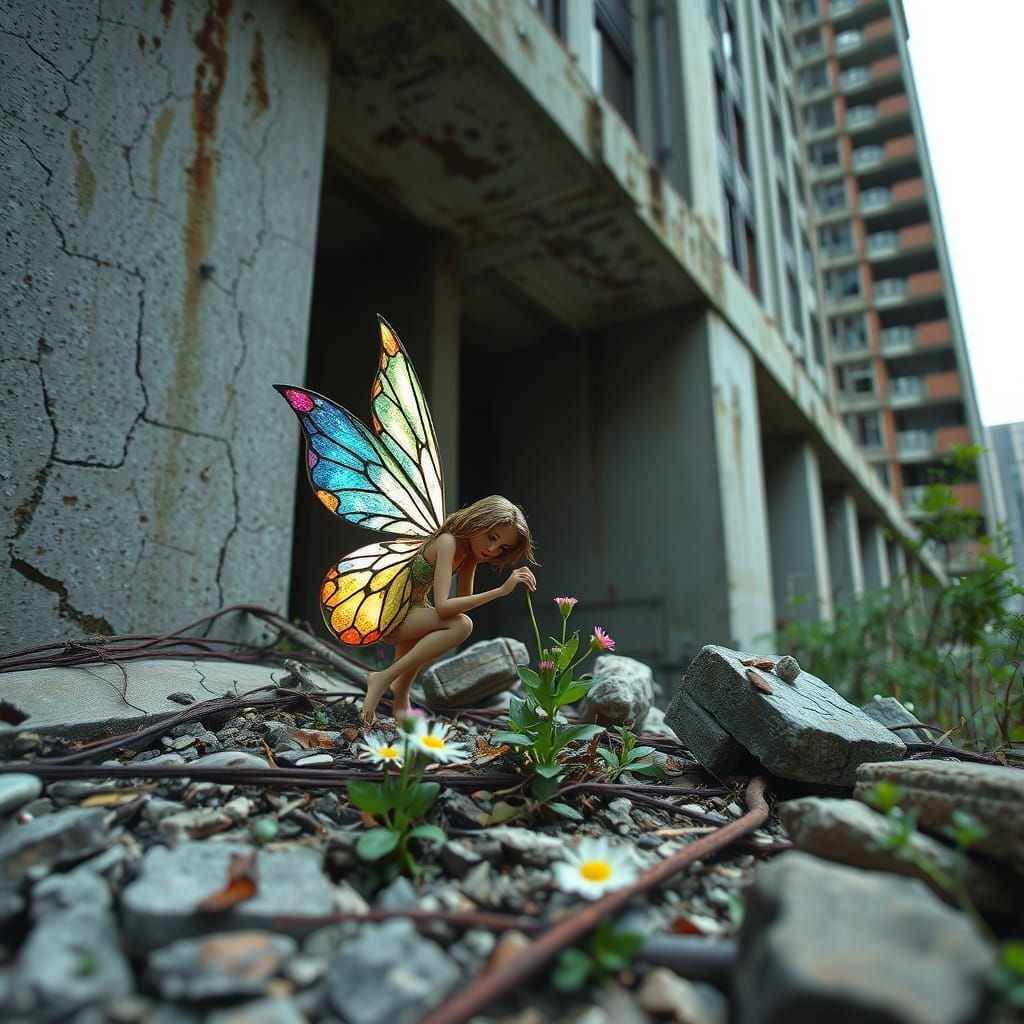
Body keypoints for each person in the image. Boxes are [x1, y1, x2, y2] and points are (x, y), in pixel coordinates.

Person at [362, 495, 536, 721]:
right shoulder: (447, 541)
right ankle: (384, 678)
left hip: (414, 610)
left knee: (451, 629)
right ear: (478, 521)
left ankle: (398, 702)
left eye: (502, 547)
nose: (492, 549)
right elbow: (444, 608)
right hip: (392, 613)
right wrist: (500, 591)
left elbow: (461, 604)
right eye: (491, 537)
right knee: (461, 626)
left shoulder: (470, 556)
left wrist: (473, 564)